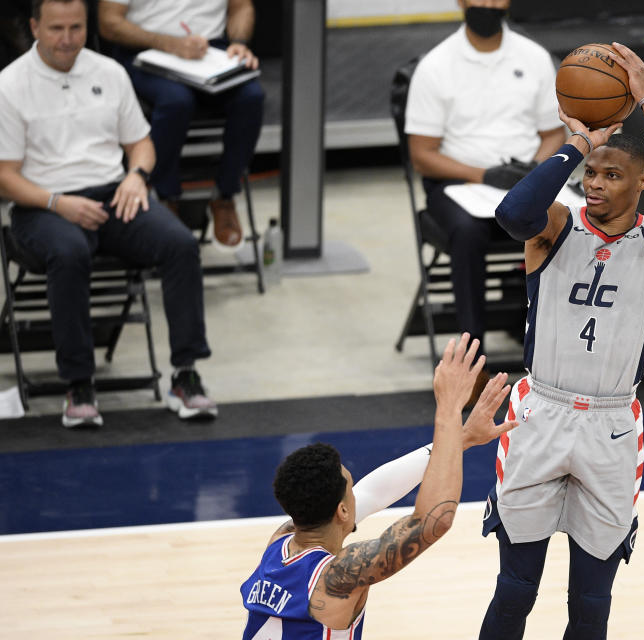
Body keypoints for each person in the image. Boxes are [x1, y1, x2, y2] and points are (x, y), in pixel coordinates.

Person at [478, 43, 644, 638]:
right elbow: (511, 213)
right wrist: (576, 141)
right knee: (515, 590)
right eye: (590, 174)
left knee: (591, 601)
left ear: (642, 181)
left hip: (611, 427)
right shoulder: (555, 227)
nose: (594, 184)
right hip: (540, 413)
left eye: (611, 174)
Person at [0, 0, 217, 427]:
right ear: (34, 27)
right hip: (41, 204)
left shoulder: (109, 72)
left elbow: (141, 143)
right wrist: (58, 202)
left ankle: (185, 374)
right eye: (56, 28)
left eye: (76, 28)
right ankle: (79, 383)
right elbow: (4, 176)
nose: (67, 39)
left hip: (113, 194)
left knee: (179, 244)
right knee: (69, 252)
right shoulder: (10, 85)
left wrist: (136, 175)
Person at [241, 334, 518, 639]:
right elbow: (431, 522)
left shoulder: (280, 544)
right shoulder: (338, 577)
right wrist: (449, 409)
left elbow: (373, 492)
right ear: (342, 511)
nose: (356, 490)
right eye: (349, 486)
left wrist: (461, 438)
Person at [404, 0, 566, 392]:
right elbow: (422, 155)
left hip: (524, 179)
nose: (489, 5)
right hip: (459, 184)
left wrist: (533, 173)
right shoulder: (435, 66)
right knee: (467, 232)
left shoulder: (534, 57)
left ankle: (560, 354)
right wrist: (483, 175)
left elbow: (553, 133)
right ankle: (472, 364)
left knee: (570, 219)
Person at [98, 0, 264, 249]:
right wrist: (169, 43)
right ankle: (165, 197)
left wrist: (238, 43)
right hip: (145, 50)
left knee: (251, 97)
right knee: (176, 101)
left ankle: (225, 195)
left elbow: (241, 6)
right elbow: (109, 23)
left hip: (210, 50)